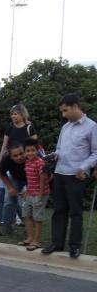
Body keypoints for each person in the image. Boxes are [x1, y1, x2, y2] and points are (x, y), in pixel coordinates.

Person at [42, 94, 97, 258]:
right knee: (59, 210)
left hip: (76, 175)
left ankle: (75, 246)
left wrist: (84, 168)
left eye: (65, 111)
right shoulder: (65, 127)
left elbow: (95, 153)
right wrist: (54, 155)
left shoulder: (92, 126)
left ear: (75, 106)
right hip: (60, 173)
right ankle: (57, 243)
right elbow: (59, 149)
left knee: (75, 211)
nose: (63, 115)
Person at [20, 138, 50, 250]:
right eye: (27, 151)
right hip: (30, 193)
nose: (30, 153)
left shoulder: (40, 163)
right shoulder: (27, 162)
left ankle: (36, 241)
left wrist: (40, 195)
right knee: (26, 215)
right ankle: (30, 238)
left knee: (37, 218)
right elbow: (29, 179)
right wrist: (27, 191)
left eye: (33, 150)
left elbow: (43, 180)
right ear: (25, 152)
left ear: (37, 151)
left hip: (39, 194)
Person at [0, 142, 27, 236]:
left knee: (31, 202)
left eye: (21, 154)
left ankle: (29, 230)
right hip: (16, 178)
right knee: (9, 199)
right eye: (15, 156)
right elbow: (2, 173)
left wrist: (29, 190)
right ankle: (8, 227)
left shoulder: (32, 156)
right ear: (10, 156)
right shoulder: (6, 159)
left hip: (32, 178)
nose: (19, 157)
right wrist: (10, 187)